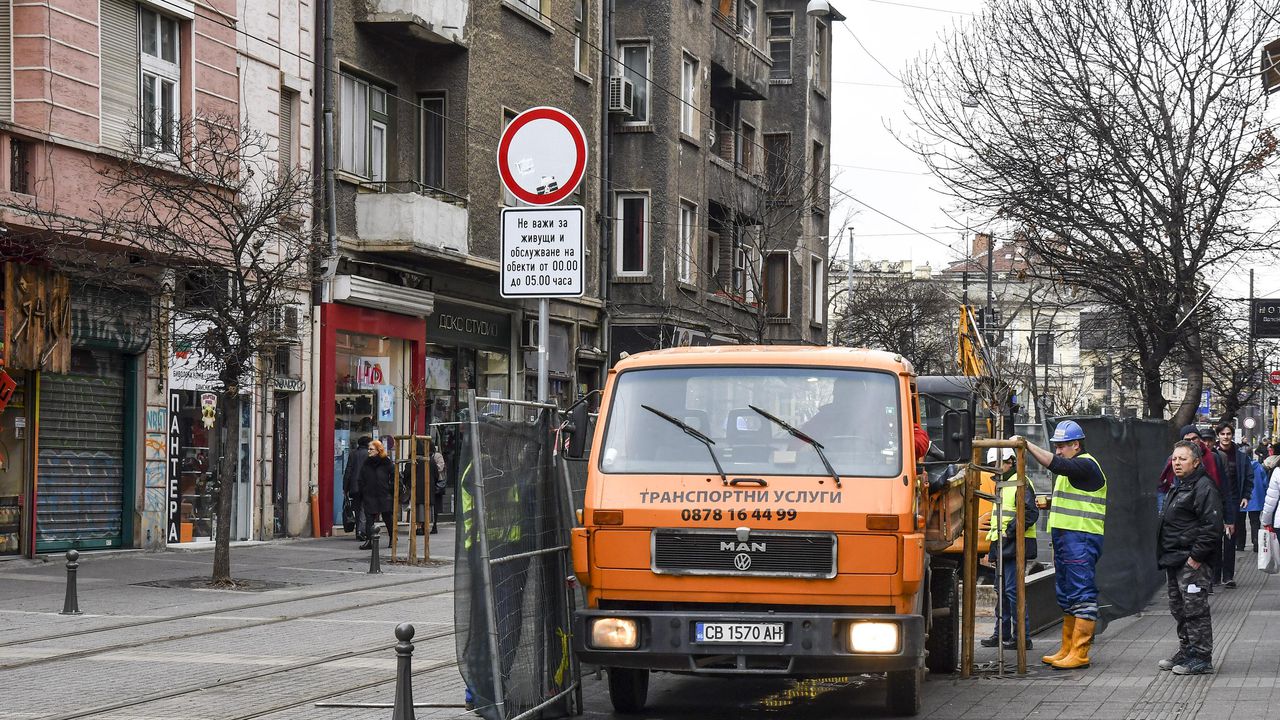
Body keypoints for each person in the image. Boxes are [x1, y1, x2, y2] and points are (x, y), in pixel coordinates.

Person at [1014, 419, 1106, 670]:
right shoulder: (1076, 469)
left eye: (1061, 446)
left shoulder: (1086, 465)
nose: (1058, 451)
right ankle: (1067, 649)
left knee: (1081, 594)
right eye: (1055, 446)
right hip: (1068, 539)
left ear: (1076, 445)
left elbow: (1056, 464)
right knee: (1067, 595)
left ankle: (1080, 652)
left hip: (1081, 538)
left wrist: (1027, 445)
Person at [1156, 440, 1222, 675]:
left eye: (1182, 459)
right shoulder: (1179, 485)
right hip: (1174, 559)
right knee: (1179, 608)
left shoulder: (1203, 487)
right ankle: (1187, 650)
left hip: (1191, 562)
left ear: (1196, 462)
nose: (1177, 463)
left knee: (1196, 610)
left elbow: (1212, 525)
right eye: (1174, 459)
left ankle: (1202, 657)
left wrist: (1196, 557)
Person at [979, 447, 1039, 650]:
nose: (995, 470)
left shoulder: (1019, 483)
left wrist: (1009, 533)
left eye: (999, 464)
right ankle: (1002, 634)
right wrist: (995, 547)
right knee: (1002, 591)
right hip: (1004, 544)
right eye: (993, 466)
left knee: (1012, 592)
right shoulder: (1004, 485)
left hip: (1014, 544)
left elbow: (1029, 514)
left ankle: (1022, 637)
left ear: (1011, 461)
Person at [1212, 422, 1248, 587]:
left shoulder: (1240, 456)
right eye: (1223, 434)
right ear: (1218, 436)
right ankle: (1215, 575)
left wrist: (1246, 496)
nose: (1226, 437)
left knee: (1230, 538)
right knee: (1214, 538)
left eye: (1228, 434)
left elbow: (1248, 477)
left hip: (1233, 500)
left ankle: (1228, 576)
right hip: (1214, 502)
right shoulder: (1212, 454)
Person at [1158, 425, 1223, 514]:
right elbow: (1165, 488)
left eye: (1194, 438)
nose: (1191, 442)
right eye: (1187, 440)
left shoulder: (1213, 457)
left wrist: (1228, 518)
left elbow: (1224, 488)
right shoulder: (1172, 460)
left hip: (1207, 506)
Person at [357, 439, 395, 550]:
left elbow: (394, 477)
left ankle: (392, 538)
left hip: (384, 494)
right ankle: (369, 541)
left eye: (371, 449)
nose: (368, 451)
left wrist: (389, 489)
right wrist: (363, 490)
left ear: (378, 450)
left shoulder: (386, 462)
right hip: (370, 494)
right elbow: (361, 478)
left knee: (388, 518)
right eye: (369, 449)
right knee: (369, 519)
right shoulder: (366, 463)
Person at [342, 436, 372, 541]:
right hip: (367, 486)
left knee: (358, 508)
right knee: (364, 509)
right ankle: (361, 531)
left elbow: (348, 471)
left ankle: (358, 531)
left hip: (354, 486)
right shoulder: (369, 454)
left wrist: (345, 487)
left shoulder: (353, 454)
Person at [1244, 449, 1269, 552]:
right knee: (1255, 522)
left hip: (1243, 498)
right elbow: (1265, 482)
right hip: (1257, 498)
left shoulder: (1241, 466)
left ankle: (1240, 544)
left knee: (1240, 523)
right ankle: (1256, 544)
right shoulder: (1258, 466)